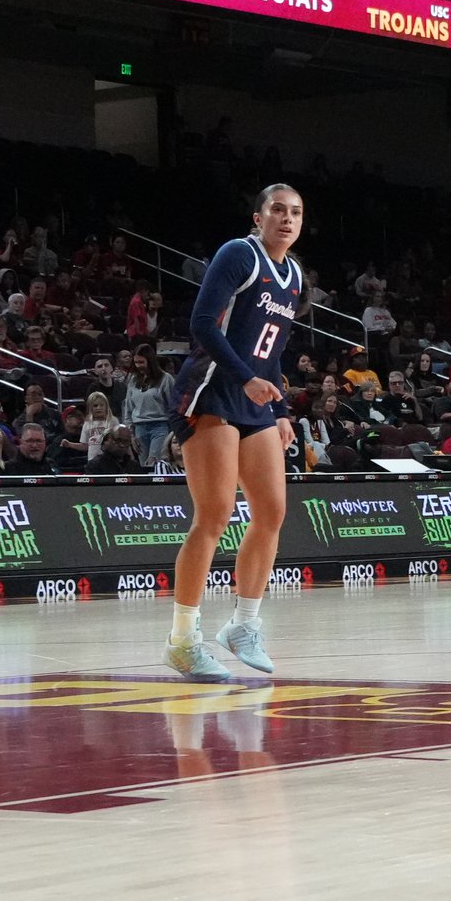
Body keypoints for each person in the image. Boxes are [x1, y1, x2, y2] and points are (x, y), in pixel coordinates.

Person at [162, 185, 307, 681]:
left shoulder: (294, 274)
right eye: (278, 210)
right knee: (214, 515)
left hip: (255, 396)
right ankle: (183, 640)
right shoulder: (238, 254)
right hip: (211, 389)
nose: (287, 219)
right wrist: (246, 378)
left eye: (295, 213)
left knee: (272, 512)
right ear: (258, 217)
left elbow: (273, 349)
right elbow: (203, 323)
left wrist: (281, 409)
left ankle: (244, 625)